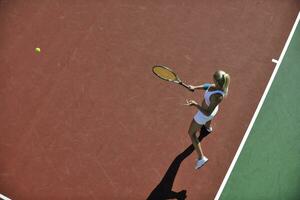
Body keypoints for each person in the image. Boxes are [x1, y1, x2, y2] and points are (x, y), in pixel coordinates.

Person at [184, 70, 230, 169]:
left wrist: (195, 104)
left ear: (218, 82)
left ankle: (201, 158)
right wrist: (195, 87)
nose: (212, 78)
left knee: (191, 133)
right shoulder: (218, 85)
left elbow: (207, 112)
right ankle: (208, 128)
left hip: (204, 114)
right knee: (209, 120)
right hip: (213, 111)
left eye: (214, 78)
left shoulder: (217, 96)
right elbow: (207, 86)